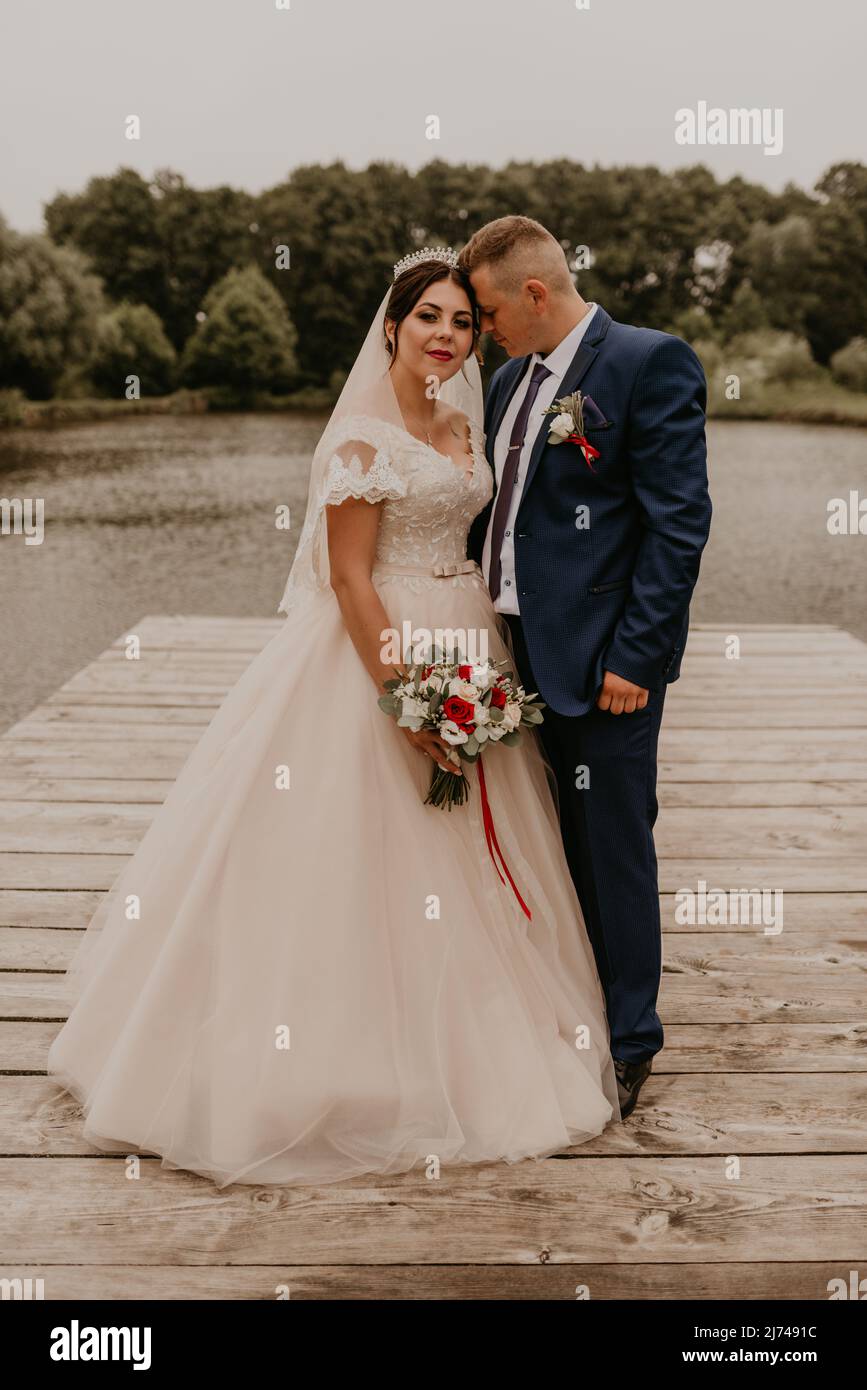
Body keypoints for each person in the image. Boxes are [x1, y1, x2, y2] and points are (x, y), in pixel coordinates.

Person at [45, 248, 622, 1189]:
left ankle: (472, 1044)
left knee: (468, 848)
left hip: (468, 642)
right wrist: (400, 696)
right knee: (357, 852)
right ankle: (332, 1063)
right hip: (380, 651)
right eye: (428, 316)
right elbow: (350, 578)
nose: (446, 335)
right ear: (391, 327)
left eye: (461, 322)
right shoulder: (359, 440)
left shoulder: (462, 425)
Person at [459, 217, 712, 1118]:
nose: (481, 328)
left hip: (605, 662)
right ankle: (563, 1012)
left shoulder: (648, 363)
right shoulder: (503, 383)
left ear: (533, 294)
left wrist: (636, 657)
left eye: (488, 311)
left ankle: (631, 1040)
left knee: (611, 848)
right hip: (510, 655)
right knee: (540, 842)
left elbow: (677, 526)